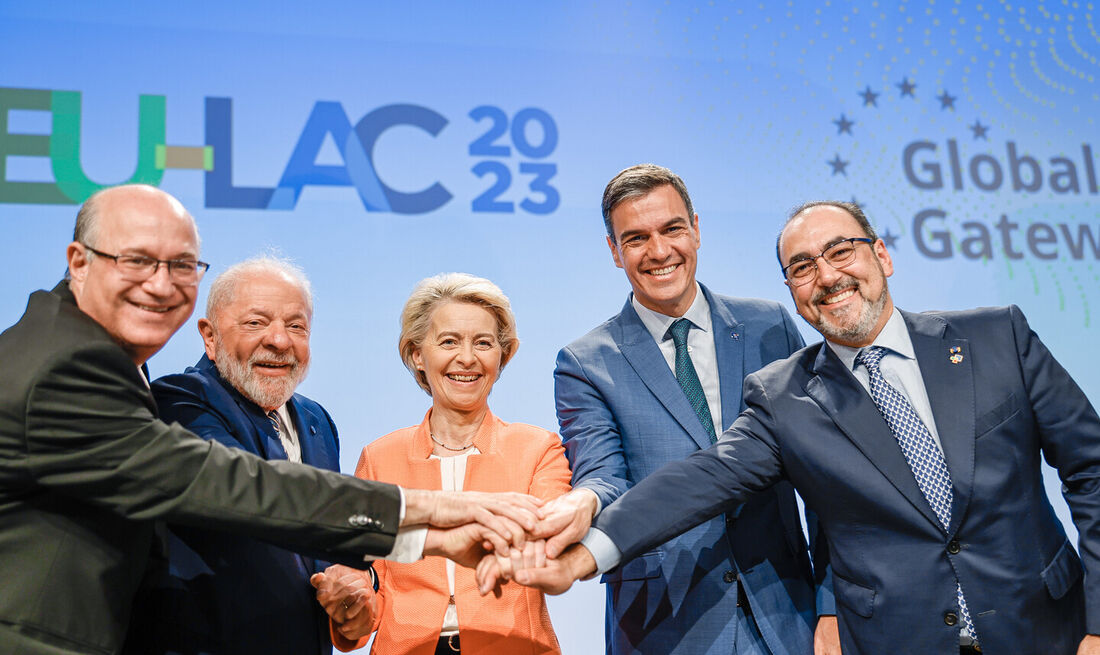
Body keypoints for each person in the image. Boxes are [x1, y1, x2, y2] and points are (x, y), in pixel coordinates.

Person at [514, 200, 1100, 655]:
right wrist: (586, 553)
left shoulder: (997, 337)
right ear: (793, 294)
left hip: (1052, 632)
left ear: (883, 256)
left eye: (841, 251)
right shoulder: (785, 398)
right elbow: (696, 481)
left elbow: (1092, 473)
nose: (826, 275)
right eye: (801, 267)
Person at [0, 184, 540, 655]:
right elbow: (233, 489)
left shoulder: (312, 421)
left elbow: (314, 545)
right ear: (78, 261)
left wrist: (356, 589)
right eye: (137, 260)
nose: (161, 284)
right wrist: (439, 521)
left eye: (182, 265)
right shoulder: (76, 367)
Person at [538, 164, 824, 655]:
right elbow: (604, 476)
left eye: (672, 229)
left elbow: (822, 474)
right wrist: (584, 502)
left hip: (787, 612)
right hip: (663, 625)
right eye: (636, 238)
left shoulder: (771, 326)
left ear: (696, 229)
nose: (659, 251)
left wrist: (833, 605)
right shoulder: (585, 362)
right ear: (614, 251)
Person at [312, 273, 571, 654]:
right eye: (449, 341)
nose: (466, 358)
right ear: (418, 354)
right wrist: (352, 605)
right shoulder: (379, 457)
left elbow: (550, 553)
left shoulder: (538, 449)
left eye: (483, 343)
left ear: (502, 357)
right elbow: (369, 590)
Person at [125, 257, 359, 654]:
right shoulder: (180, 402)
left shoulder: (318, 421)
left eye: (296, 326)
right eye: (256, 323)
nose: (279, 340)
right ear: (209, 336)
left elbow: (333, 547)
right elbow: (258, 495)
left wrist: (356, 588)